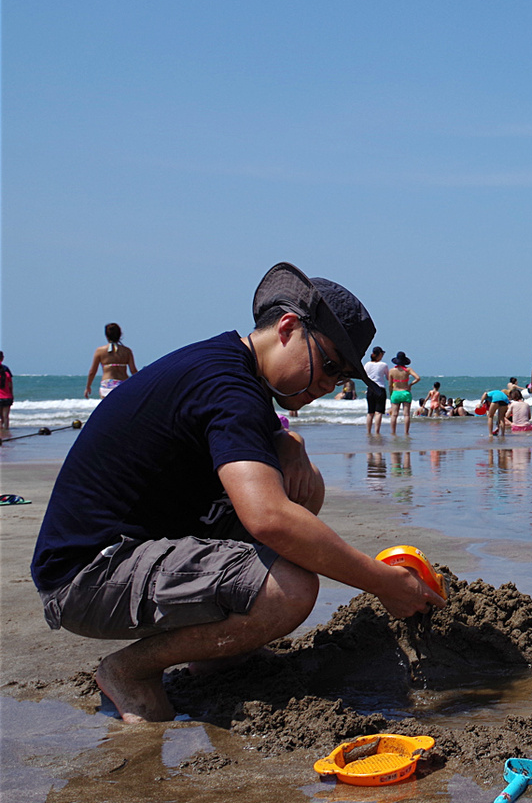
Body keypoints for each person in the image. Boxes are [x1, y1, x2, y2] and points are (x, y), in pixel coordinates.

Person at [30, 262, 445, 724]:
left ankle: (217, 657)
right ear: (288, 328)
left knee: (301, 492)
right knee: (289, 587)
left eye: (343, 377)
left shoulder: (234, 372)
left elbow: (273, 485)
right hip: (88, 573)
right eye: (329, 365)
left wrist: (289, 441)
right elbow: (268, 519)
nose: (330, 386)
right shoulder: (228, 386)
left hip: (132, 552)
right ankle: (130, 671)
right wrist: (381, 582)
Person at [85, 323, 139, 398]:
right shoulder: (127, 351)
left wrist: (88, 386)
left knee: (108, 408)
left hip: (107, 385)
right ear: (120, 335)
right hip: (123, 383)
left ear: (106, 336)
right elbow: (133, 370)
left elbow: (92, 372)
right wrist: (140, 383)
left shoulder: (100, 351)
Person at [387, 352, 420, 435]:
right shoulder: (408, 370)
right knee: (406, 415)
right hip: (405, 392)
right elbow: (417, 378)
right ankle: (406, 432)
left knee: (394, 415)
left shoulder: (391, 371)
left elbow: (390, 385)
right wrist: (410, 385)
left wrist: (391, 394)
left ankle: (393, 432)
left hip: (396, 392)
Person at [363, 347, 389, 433]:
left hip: (370, 389)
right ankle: (377, 431)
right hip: (380, 388)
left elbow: (365, 376)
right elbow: (388, 377)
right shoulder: (383, 365)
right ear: (379, 355)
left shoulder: (367, 364)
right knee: (378, 412)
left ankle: (368, 431)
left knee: (370, 412)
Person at [0, 351, 12, 432]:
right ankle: (6, 430)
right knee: (6, 416)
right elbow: (10, 385)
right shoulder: (6, 370)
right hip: (7, 396)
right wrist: (11, 395)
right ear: (2, 358)